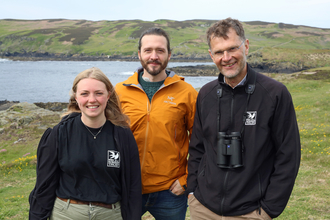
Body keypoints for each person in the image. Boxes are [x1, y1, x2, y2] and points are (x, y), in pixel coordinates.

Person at [186, 18, 301, 219]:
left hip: (251, 212)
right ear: (211, 55)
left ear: (246, 46)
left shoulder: (275, 94)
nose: (227, 57)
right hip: (203, 208)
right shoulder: (206, 94)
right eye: (219, 52)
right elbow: (197, 147)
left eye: (232, 48)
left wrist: (268, 210)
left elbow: (288, 156)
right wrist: (193, 192)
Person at [29, 67, 142, 220]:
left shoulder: (122, 134)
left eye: (98, 93)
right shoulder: (59, 133)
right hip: (66, 214)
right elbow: (44, 184)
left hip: (110, 215)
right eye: (84, 94)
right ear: (76, 97)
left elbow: (133, 185)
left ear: (108, 95)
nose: (92, 99)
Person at [115, 27, 198, 219]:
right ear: (139, 54)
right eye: (148, 50)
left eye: (160, 51)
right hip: (128, 188)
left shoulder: (187, 93)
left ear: (169, 55)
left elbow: (201, 141)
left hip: (170, 191)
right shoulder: (119, 92)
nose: (154, 56)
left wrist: (186, 180)